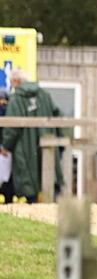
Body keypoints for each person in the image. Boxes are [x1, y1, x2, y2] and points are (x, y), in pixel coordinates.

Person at [0, 68, 63, 204]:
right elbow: (58, 115)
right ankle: (55, 204)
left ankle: (33, 205)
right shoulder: (45, 94)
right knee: (51, 175)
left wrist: (6, 146)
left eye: (12, 82)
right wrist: (59, 139)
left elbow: (12, 127)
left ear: (16, 81)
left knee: (28, 178)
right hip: (48, 142)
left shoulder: (16, 99)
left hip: (25, 148)